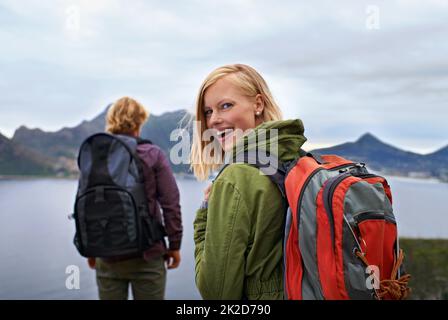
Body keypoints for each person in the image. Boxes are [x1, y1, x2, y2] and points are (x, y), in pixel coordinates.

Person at [191, 64, 307, 300]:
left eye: (225, 106)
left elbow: (217, 294)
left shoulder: (236, 177)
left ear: (258, 104)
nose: (213, 120)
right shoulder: (294, 158)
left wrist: (205, 214)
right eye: (207, 112)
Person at [89, 96, 183, 300]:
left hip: (106, 253)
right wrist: (175, 245)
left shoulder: (96, 156)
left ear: (111, 121)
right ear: (140, 122)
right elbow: (171, 203)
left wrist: (90, 248)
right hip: (148, 254)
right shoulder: (152, 154)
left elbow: (86, 202)